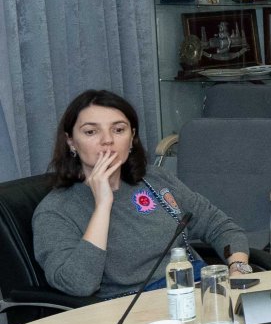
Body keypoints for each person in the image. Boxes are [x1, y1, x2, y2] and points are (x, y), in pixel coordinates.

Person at [34, 89, 253, 300]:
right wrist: (102, 205)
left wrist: (238, 268)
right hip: (134, 308)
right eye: (91, 132)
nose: (107, 140)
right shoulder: (55, 210)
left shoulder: (154, 179)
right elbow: (78, 284)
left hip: (198, 291)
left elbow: (219, 226)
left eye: (118, 130)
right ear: (71, 142)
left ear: (131, 139)